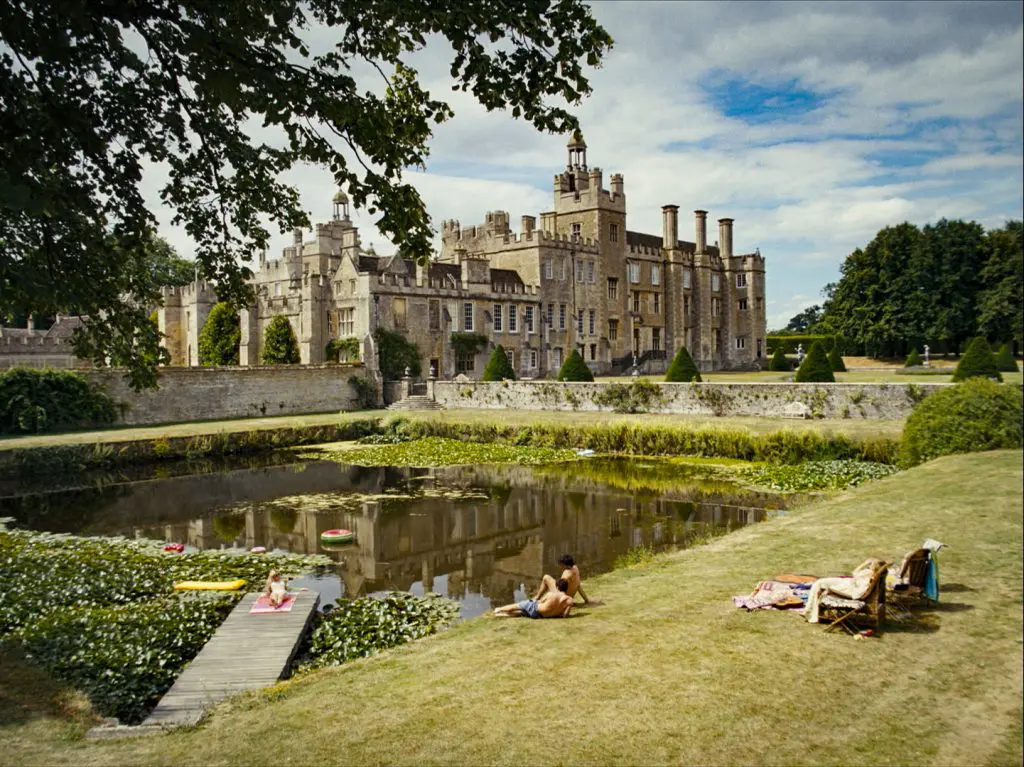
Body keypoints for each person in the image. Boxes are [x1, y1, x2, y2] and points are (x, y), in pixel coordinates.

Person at [803, 558, 888, 623]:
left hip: (850, 590)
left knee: (819, 584)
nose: (870, 565)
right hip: (847, 583)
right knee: (819, 582)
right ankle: (809, 610)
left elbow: (859, 593)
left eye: (872, 564)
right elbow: (854, 573)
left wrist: (865, 564)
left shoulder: (871, 577)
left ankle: (809, 612)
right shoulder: (869, 572)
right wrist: (865, 564)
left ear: (875, 567)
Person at [534, 554, 599, 605]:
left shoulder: (566, 573)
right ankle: (538, 597)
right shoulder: (576, 569)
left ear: (565, 565)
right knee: (550, 580)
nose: (560, 567)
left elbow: (560, 588)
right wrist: (586, 600)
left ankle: (537, 598)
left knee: (546, 577)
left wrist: (546, 598)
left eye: (561, 565)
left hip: (562, 596)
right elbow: (578, 586)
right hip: (569, 596)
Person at [494, 578, 574, 619]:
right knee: (522, 612)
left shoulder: (551, 594)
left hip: (535, 609)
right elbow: (565, 615)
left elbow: (541, 601)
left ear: (557, 587)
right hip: (541, 616)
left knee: (518, 605)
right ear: (566, 588)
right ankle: (502, 614)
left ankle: (499, 609)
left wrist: (536, 600)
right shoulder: (569, 600)